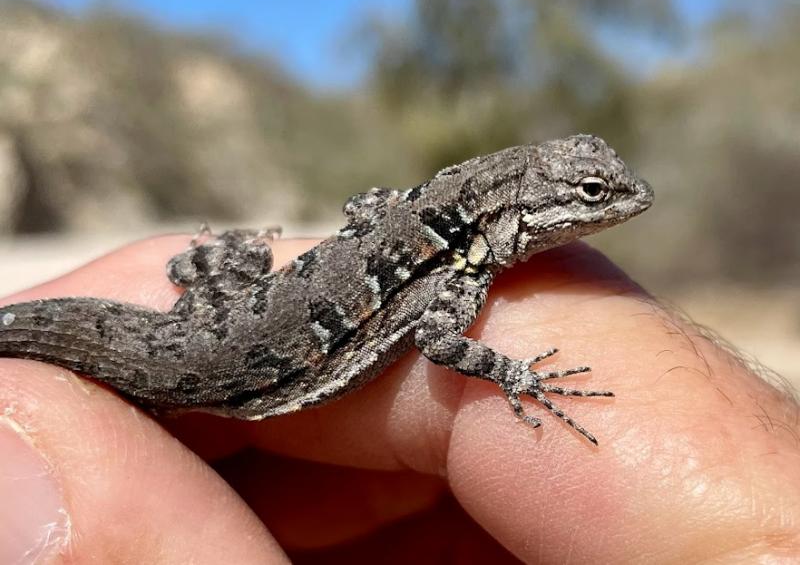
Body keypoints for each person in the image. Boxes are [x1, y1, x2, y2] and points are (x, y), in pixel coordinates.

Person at [1, 235, 797, 563]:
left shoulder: (436, 245)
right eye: (589, 194)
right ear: (522, 218)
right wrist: (519, 376)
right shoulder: (450, 271)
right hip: (216, 372)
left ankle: (216, 260)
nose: (610, 206)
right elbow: (441, 344)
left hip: (204, 345)